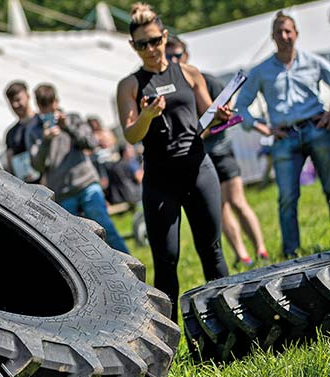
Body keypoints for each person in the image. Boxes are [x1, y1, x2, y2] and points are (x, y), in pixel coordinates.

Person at [116, 3, 231, 321]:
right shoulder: (129, 85)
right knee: (165, 260)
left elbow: (208, 118)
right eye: (142, 44)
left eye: (155, 40)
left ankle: (225, 325)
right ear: (133, 46)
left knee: (212, 251)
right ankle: (167, 341)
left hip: (198, 170)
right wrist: (147, 115)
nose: (151, 49)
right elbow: (130, 134)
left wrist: (219, 116)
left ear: (165, 37)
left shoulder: (190, 73)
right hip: (160, 179)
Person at [165, 36, 269, 267]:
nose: (173, 60)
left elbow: (227, 111)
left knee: (238, 201)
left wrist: (215, 121)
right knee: (219, 207)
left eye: (178, 55)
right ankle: (243, 255)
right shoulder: (169, 90)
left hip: (220, 150)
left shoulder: (206, 80)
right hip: (197, 156)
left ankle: (261, 248)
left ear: (187, 55)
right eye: (169, 56)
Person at [234, 11, 330, 259]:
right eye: (279, 32)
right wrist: (261, 127)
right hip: (284, 138)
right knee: (287, 198)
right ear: (272, 37)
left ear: (296, 34)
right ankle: (291, 253)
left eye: (288, 31)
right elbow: (241, 106)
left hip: (317, 130)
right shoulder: (261, 71)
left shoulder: (314, 61)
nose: (284, 36)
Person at [27, 83, 129, 253]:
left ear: (56, 101)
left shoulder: (73, 118)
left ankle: (131, 271)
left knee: (106, 229)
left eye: (50, 104)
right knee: (75, 244)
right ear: (38, 106)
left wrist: (68, 127)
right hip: (63, 192)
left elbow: (91, 143)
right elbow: (36, 165)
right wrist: (46, 141)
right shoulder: (34, 131)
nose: (47, 111)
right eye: (43, 106)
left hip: (87, 184)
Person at [3, 80, 41, 183]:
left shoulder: (41, 122)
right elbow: (10, 163)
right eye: (11, 102)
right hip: (25, 187)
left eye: (18, 100)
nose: (15, 105)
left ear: (28, 97)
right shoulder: (11, 133)